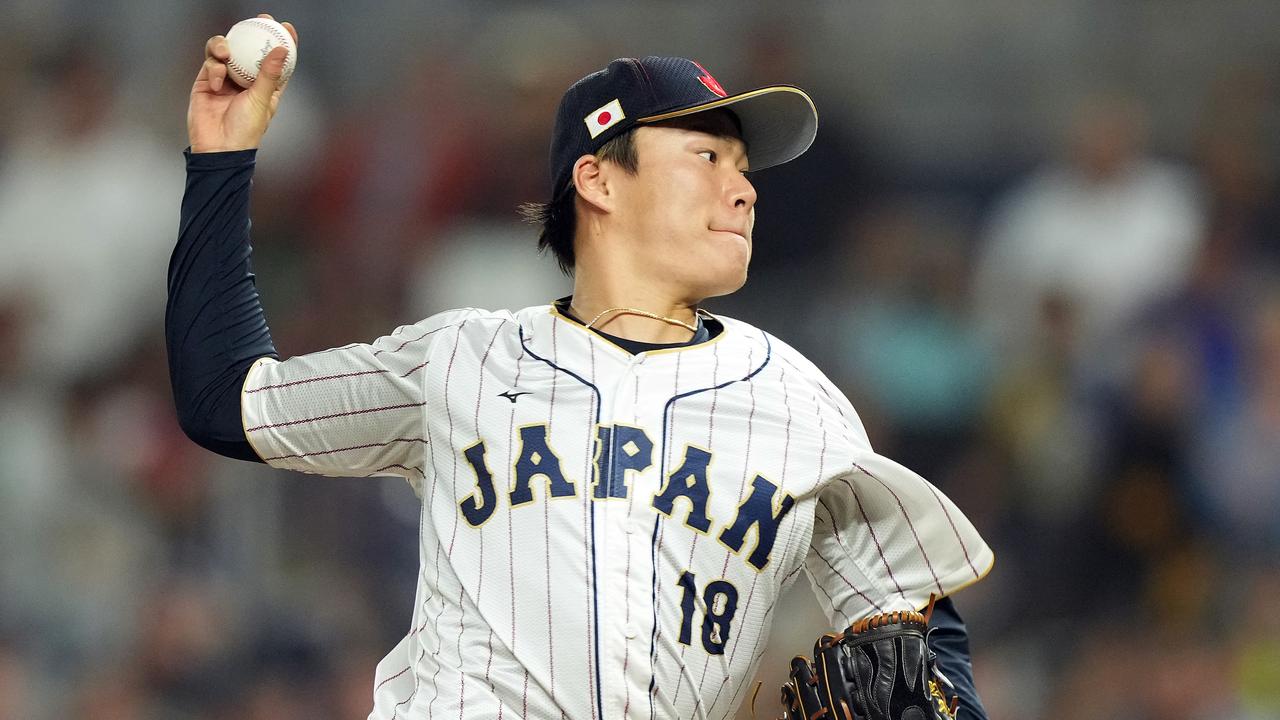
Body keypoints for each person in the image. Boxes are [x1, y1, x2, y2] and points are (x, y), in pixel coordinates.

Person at [169, 16, 994, 719]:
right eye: (707, 157)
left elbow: (912, 626)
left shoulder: (796, 400)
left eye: (745, 169)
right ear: (597, 178)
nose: (743, 190)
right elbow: (225, 399)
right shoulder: (462, 357)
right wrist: (221, 161)